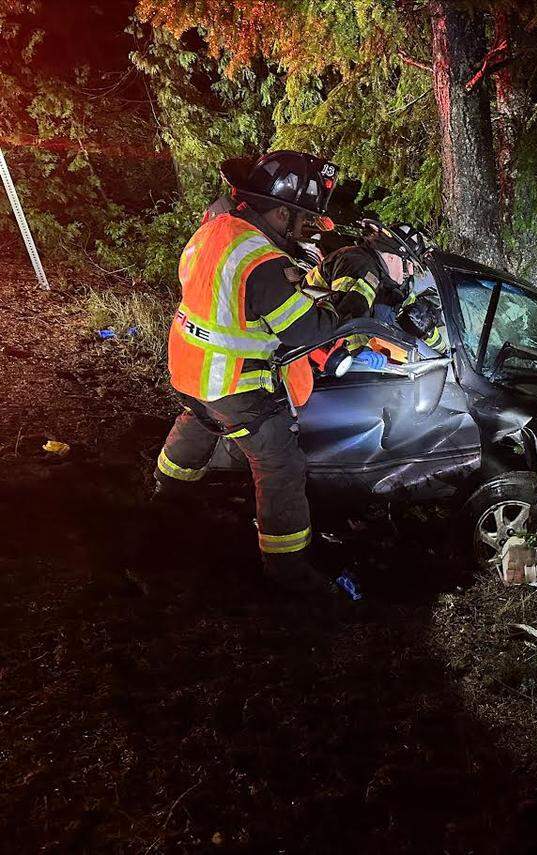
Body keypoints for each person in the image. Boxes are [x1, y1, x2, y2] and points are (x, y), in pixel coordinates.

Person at [154, 150, 374, 592]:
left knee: (199, 422)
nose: (307, 230)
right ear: (279, 212)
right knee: (279, 462)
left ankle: (166, 495)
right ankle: (288, 571)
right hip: (232, 384)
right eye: (304, 221)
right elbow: (309, 330)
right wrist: (352, 300)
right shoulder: (263, 262)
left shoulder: (217, 230)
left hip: (188, 370)